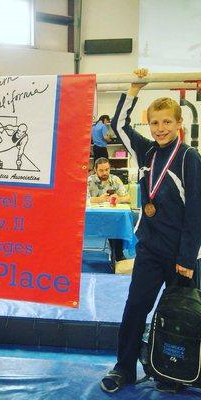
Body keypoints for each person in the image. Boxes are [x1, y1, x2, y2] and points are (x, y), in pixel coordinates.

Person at [100, 69, 201, 394]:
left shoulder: (189, 157)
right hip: (149, 249)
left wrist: (187, 257)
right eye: (155, 123)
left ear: (178, 125)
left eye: (167, 122)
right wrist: (133, 89)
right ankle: (124, 368)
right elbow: (118, 126)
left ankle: (182, 371)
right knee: (135, 308)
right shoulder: (146, 151)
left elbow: (196, 211)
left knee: (183, 315)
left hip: (180, 254)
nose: (160, 129)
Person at [87, 157, 131, 262]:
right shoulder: (89, 180)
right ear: (95, 170)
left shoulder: (115, 179)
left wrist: (118, 199)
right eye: (101, 170)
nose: (104, 173)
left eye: (107, 169)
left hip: (111, 217)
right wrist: (99, 199)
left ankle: (118, 255)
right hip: (94, 217)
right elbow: (83, 199)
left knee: (118, 221)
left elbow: (128, 198)